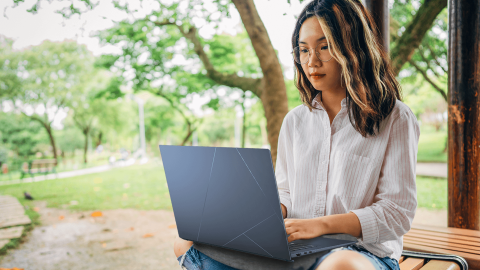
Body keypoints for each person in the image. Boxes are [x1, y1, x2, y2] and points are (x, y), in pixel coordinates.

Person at [174, 0, 420, 269]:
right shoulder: (295, 121)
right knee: (185, 242)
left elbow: (397, 213)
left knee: (340, 265)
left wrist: (318, 226)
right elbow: (286, 191)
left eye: (325, 47)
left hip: (362, 252)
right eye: (304, 50)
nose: (312, 61)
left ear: (353, 47)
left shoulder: (395, 117)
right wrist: (265, 215)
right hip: (295, 250)